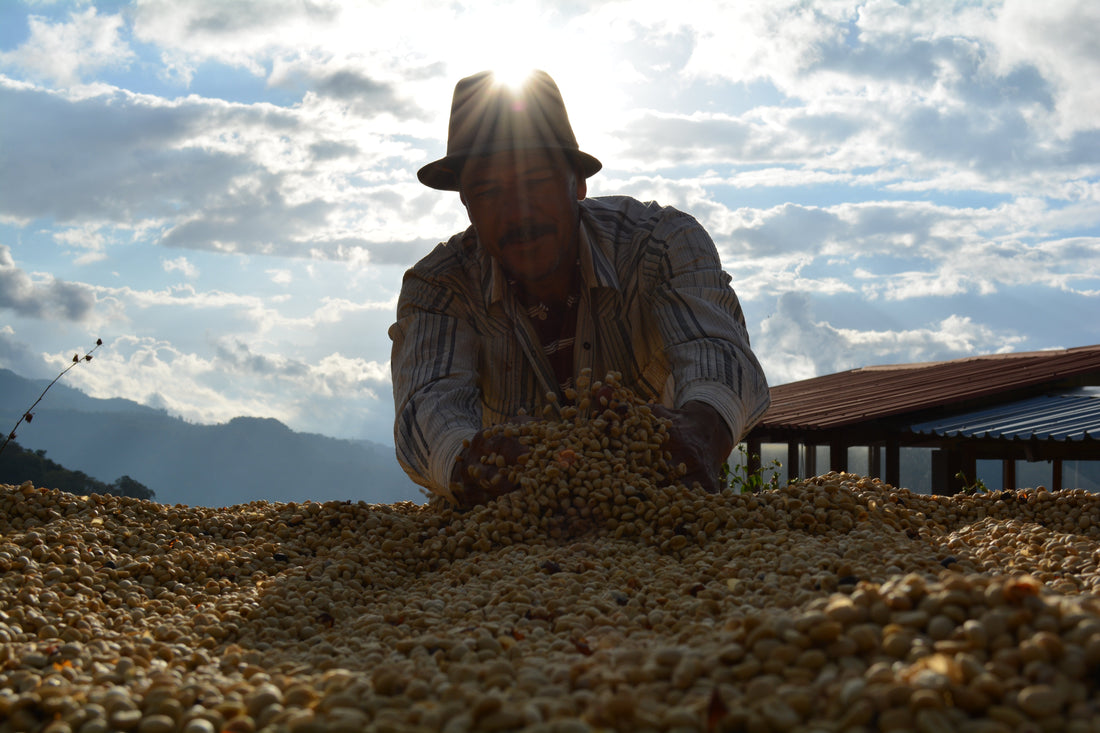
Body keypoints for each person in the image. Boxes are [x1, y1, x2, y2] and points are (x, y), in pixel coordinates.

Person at [389, 70, 770, 506]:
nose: (518, 213)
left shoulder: (659, 245)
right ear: (466, 202)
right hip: (509, 537)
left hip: (658, 518)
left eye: (536, 182)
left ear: (579, 183)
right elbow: (428, 405)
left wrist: (700, 429)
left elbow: (716, 353)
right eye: (490, 191)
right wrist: (470, 460)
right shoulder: (440, 287)